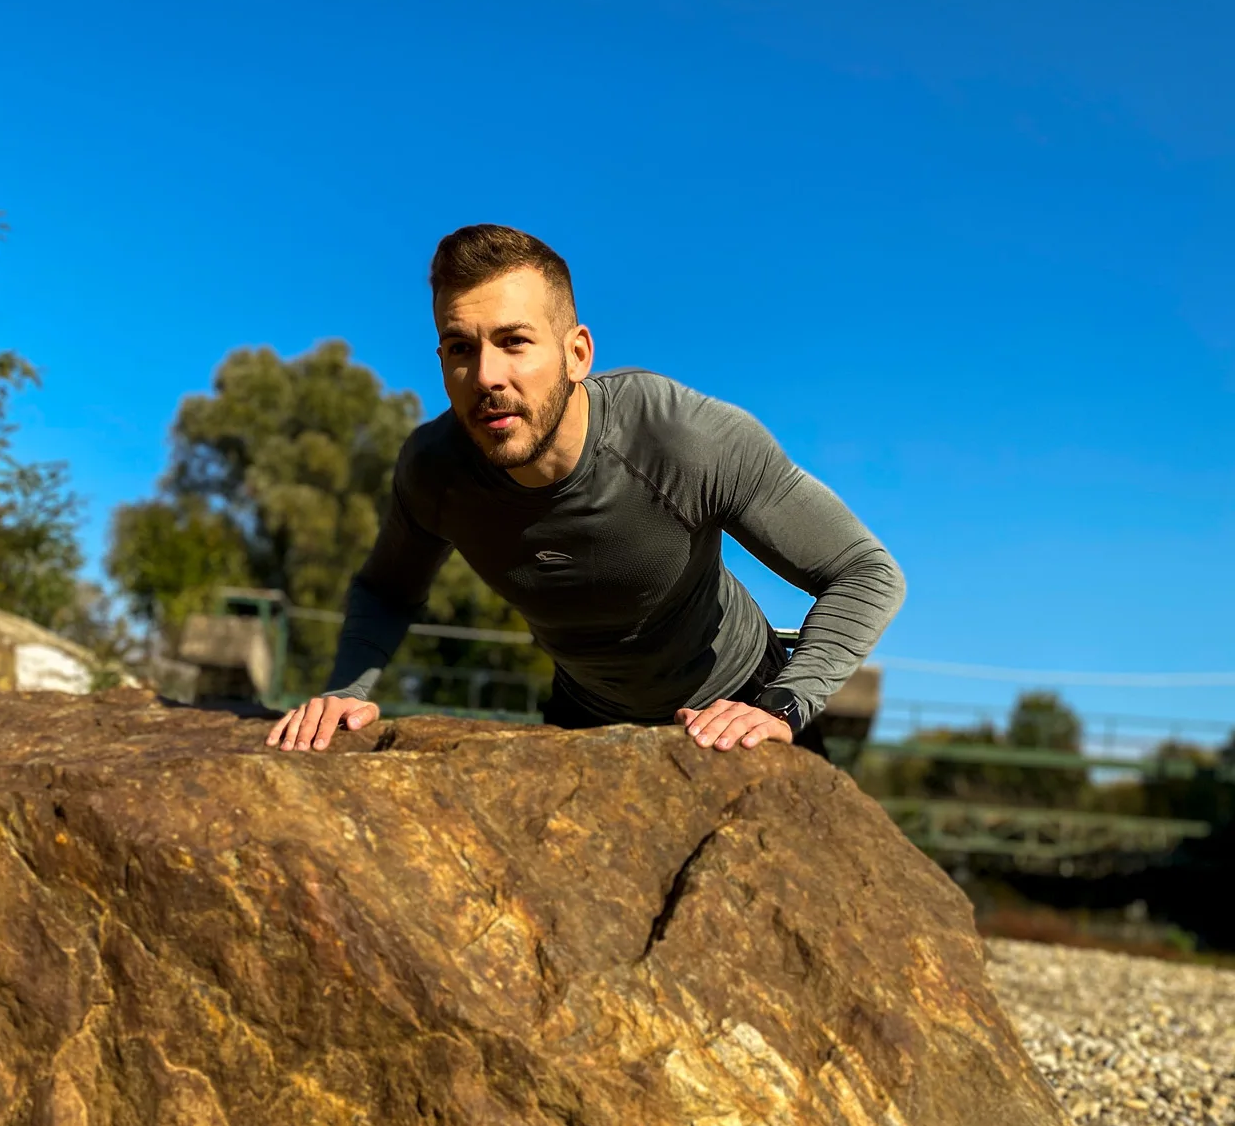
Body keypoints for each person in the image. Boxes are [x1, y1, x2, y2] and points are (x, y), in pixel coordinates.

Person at [267, 224, 904, 755]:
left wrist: (782, 707)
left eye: (515, 341)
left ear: (577, 353)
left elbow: (866, 572)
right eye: (460, 348)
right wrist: (347, 689)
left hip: (740, 707)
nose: (487, 375)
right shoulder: (434, 472)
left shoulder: (683, 438)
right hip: (584, 716)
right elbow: (385, 588)